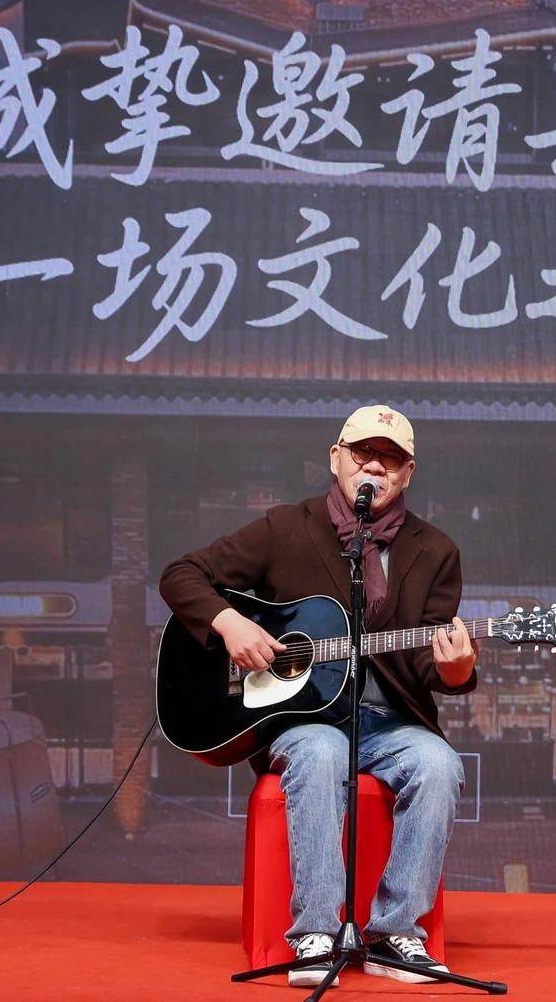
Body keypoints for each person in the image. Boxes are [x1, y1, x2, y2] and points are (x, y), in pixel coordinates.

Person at [159, 405, 479, 986]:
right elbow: (182, 575)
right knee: (321, 750)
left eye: (391, 459)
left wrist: (454, 671)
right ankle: (316, 932)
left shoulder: (435, 550)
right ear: (336, 458)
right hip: (301, 720)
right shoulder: (286, 527)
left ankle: (395, 933)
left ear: (408, 473)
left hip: (389, 721)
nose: (374, 467)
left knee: (438, 764)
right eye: (363, 453)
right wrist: (230, 625)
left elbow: (430, 663)